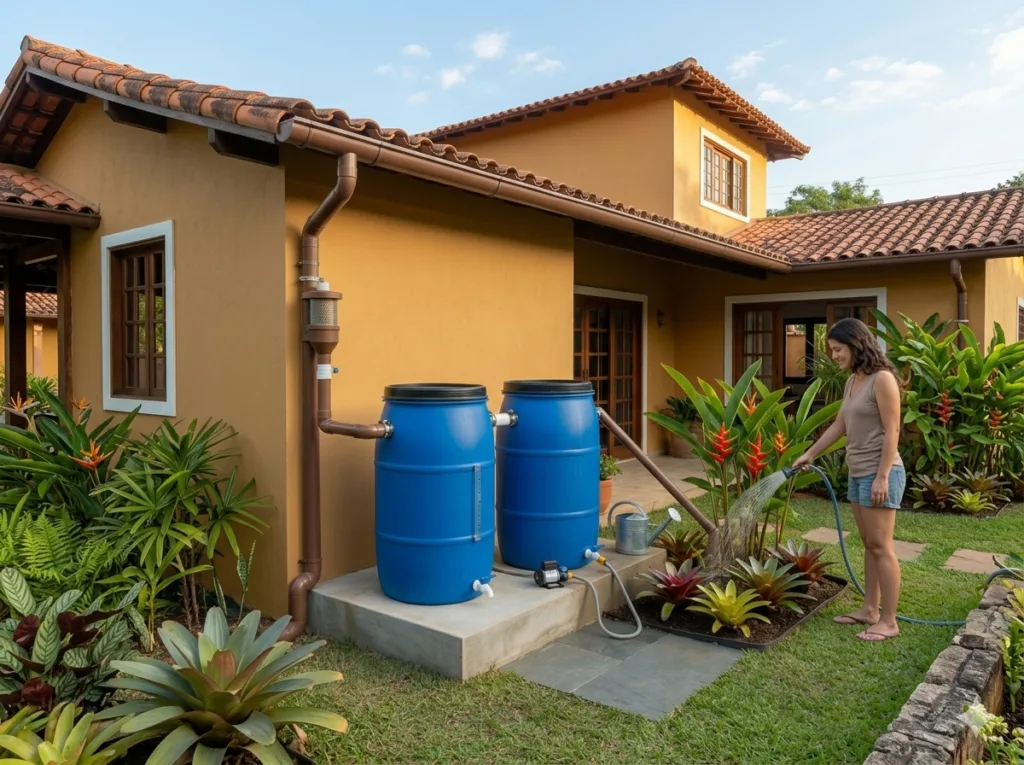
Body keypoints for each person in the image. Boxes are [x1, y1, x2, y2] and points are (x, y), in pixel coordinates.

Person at [792, 317, 906, 642]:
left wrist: (882, 476)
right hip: (858, 473)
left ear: (856, 345)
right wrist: (811, 453)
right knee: (870, 544)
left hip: (880, 472)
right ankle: (870, 610)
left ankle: (889, 621)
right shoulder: (853, 380)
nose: (835, 356)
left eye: (838, 349)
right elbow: (839, 426)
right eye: (833, 350)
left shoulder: (882, 380)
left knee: (882, 547)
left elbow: (892, 431)